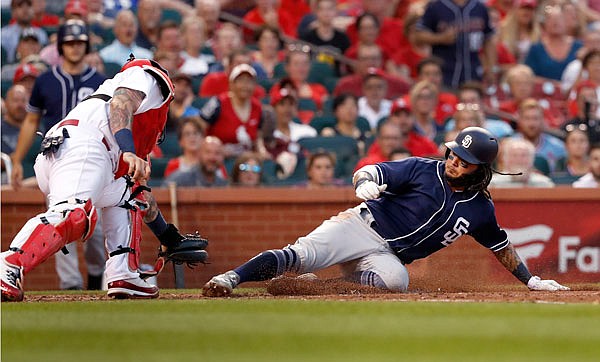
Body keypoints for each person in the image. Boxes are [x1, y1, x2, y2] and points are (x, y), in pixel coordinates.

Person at [202, 126, 569, 297]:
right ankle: (230, 279)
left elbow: (499, 245)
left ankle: (320, 287)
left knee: (396, 283)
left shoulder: (480, 208)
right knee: (300, 256)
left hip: (389, 255)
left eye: (466, 160)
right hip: (362, 226)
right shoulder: (423, 168)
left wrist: (530, 280)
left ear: (481, 169)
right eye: (455, 153)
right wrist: (363, 182)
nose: (456, 161)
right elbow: (374, 171)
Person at [1, 57, 208, 302]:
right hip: (84, 146)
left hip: (79, 153)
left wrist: (168, 236)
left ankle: (124, 274)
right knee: (74, 214)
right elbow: (121, 102)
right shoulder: (146, 75)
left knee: (128, 193)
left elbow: (141, 194)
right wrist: (128, 149)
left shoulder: (129, 133)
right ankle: (9, 264)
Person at [9, 20, 108, 292]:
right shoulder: (45, 80)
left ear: (86, 44)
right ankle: (70, 285)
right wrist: (17, 159)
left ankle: (96, 278)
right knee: (59, 221)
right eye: (69, 42)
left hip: (90, 158)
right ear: (61, 46)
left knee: (95, 230)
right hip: (56, 155)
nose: (75, 47)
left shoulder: (100, 82)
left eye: (79, 42)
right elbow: (31, 121)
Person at [415, 0, 497, 89]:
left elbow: (488, 39)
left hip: (473, 71)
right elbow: (418, 35)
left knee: (471, 101)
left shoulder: (480, 7)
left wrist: (491, 68)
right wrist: (440, 38)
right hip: (445, 71)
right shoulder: (435, 6)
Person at [199, 64, 267, 159]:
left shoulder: (258, 107)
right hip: (217, 158)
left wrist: (262, 151)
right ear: (231, 84)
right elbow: (199, 129)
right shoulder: (217, 103)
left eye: (249, 82)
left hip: (245, 160)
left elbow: (258, 138)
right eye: (241, 81)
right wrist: (214, 149)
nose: (245, 86)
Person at [490, 138, 555, 188]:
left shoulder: (545, 184)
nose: (519, 160)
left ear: (532, 160)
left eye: (524, 155)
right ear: (505, 160)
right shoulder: (493, 184)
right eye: (514, 155)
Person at [1, 0, 48, 65]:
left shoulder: (41, 33)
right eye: (20, 6)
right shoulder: (3, 34)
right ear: (13, 12)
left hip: (37, 67)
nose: (25, 9)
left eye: (29, 5)